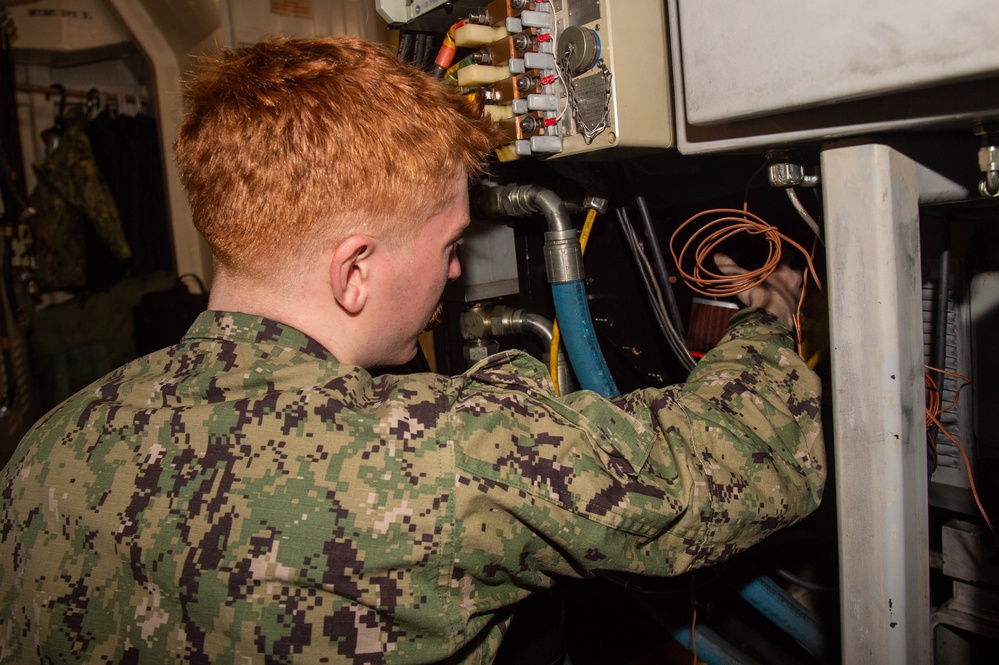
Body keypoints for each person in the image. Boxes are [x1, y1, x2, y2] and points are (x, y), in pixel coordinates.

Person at [0, 37, 825, 664]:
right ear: (354, 268)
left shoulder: (47, 450)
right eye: (451, 243)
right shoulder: (440, 452)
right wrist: (763, 321)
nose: (458, 270)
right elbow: (714, 471)